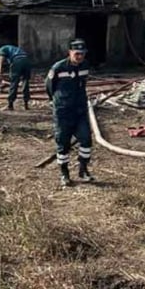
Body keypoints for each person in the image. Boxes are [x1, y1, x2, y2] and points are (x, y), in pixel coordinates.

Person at [45, 39, 94, 187]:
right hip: (63, 112)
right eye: (77, 54)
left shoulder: (85, 66)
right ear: (70, 53)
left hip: (79, 111)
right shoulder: (58, 68)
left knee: (86, 140)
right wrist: (56, 101)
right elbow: (49, 86)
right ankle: (64, 173)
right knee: (63, 144)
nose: (80, 57)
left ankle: (83, 170)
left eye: (82, 54)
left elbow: (82, 84)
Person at [0, 43, 31, 110]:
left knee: (14, 83)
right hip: (26, 60)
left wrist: (0, 73)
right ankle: (26, 104)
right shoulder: (15, 49)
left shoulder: (2, 49)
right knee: (25, 82)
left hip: (17, 61)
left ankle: (10, 105)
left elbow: (1, 63)